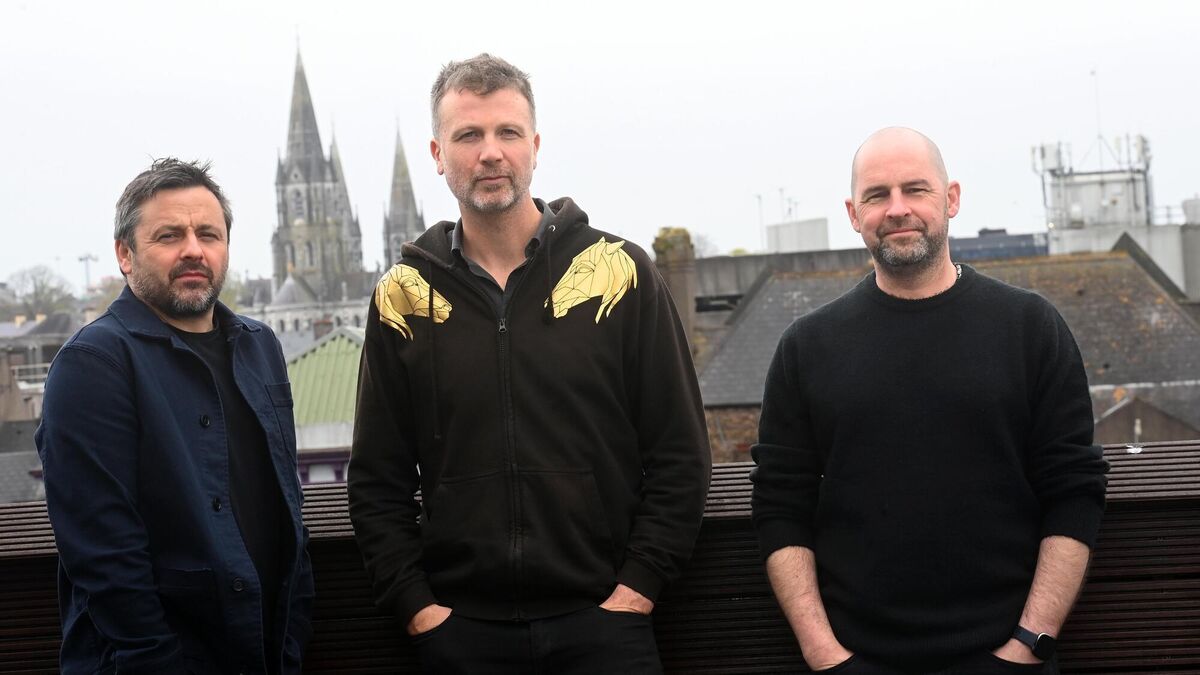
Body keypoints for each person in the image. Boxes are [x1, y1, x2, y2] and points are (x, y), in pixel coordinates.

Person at [348, 53, 711, 674]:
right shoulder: (402, 297)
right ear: (438, 154)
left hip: (606, 627)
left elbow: (681, 451)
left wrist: (637, 588)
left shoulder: (620, 274)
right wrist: (418, 607)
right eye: (468, 135)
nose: (490, 152)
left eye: (507, 133)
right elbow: (377, 478)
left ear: (534, 146)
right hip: (460, 637)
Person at [750, 127, 1108, 674]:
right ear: (853, 213)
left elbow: (1075, 490)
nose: (897, 209)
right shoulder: (808, 346)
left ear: (952, 199)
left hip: (1006, 658)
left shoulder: (1029, 327)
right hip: (856, 661)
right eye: (877, 195)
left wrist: (1026, 646)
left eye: (915, 190)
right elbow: (781, 507)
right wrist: (826, 656)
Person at [36, 158, 314, 674]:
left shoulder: (260, 346)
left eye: (208, 233)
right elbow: (103, 552)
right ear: (125, 253)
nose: (193, 249)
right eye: (169, 235)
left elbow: (284, 502)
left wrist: (292, 638)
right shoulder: (92, 364)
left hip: (266, 652)